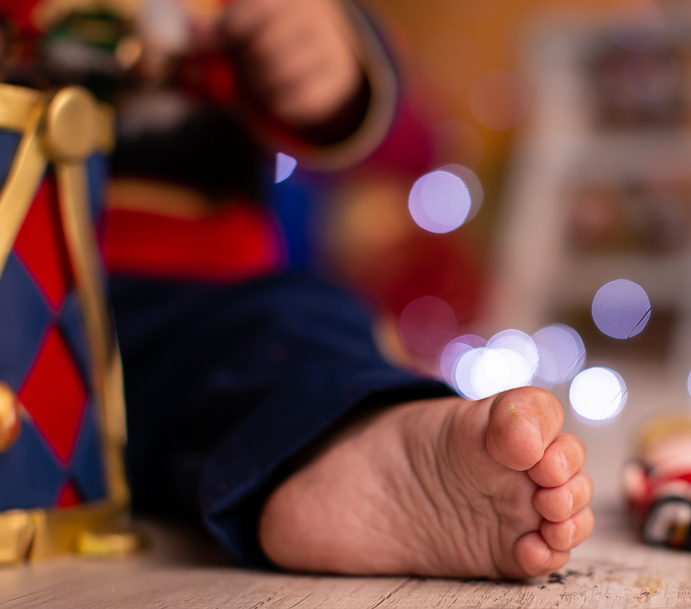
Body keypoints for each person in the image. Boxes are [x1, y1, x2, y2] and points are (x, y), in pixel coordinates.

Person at [0, 0, 594, 578]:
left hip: (200, 297)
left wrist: (328, 64)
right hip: (17, 297)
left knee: (295, 327)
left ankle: (348, 450)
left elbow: (414, 142)